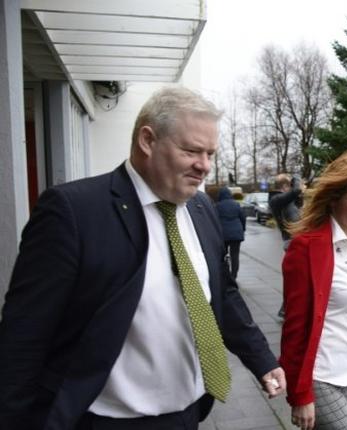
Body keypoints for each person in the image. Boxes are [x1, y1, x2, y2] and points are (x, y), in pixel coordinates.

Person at [0, 86, 285, 430]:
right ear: (147, 141)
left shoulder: (201, 208)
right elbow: (24, 335)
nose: (205, 166)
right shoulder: (73, 212)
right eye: (192, 150)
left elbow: (221, 292)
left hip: (190, 413)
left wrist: (262, 360)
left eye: (210, 153)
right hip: (108, 420)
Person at [280, 148, 347, 430]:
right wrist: (299, 394)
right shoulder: (306, 247)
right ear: (334, 199)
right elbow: (295, 326)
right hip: (318, 374)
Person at [268, 173, 303, 317]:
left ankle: (286, 309)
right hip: (292, 242)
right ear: (285, 187)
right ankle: (286, 310)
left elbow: (297, 198)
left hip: (297, 241)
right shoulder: (276, 199)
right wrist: (297, 178)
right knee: (296, 279)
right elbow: (296, 191)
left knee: (297, 279)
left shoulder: (285, 201)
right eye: (290, 185)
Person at [216, 187, 246, 279]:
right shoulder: (236, 204)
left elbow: (214, 219)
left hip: (223, 234)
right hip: (236, 234)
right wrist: (243, 229)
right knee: (235, 255)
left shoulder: (217, 206)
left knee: (223, 255)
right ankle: (234, 276)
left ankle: (225, 273)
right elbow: (243, 218)